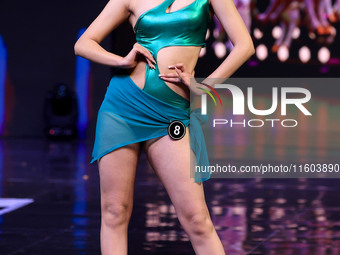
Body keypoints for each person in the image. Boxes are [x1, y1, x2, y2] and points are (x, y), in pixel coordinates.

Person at [74, 0, 254, 254]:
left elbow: (245, 46)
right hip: (122, 107)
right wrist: (121, 61)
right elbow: (83, 44)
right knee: (115, 212)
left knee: (197, 219)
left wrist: (206, 86)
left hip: (170, 115)